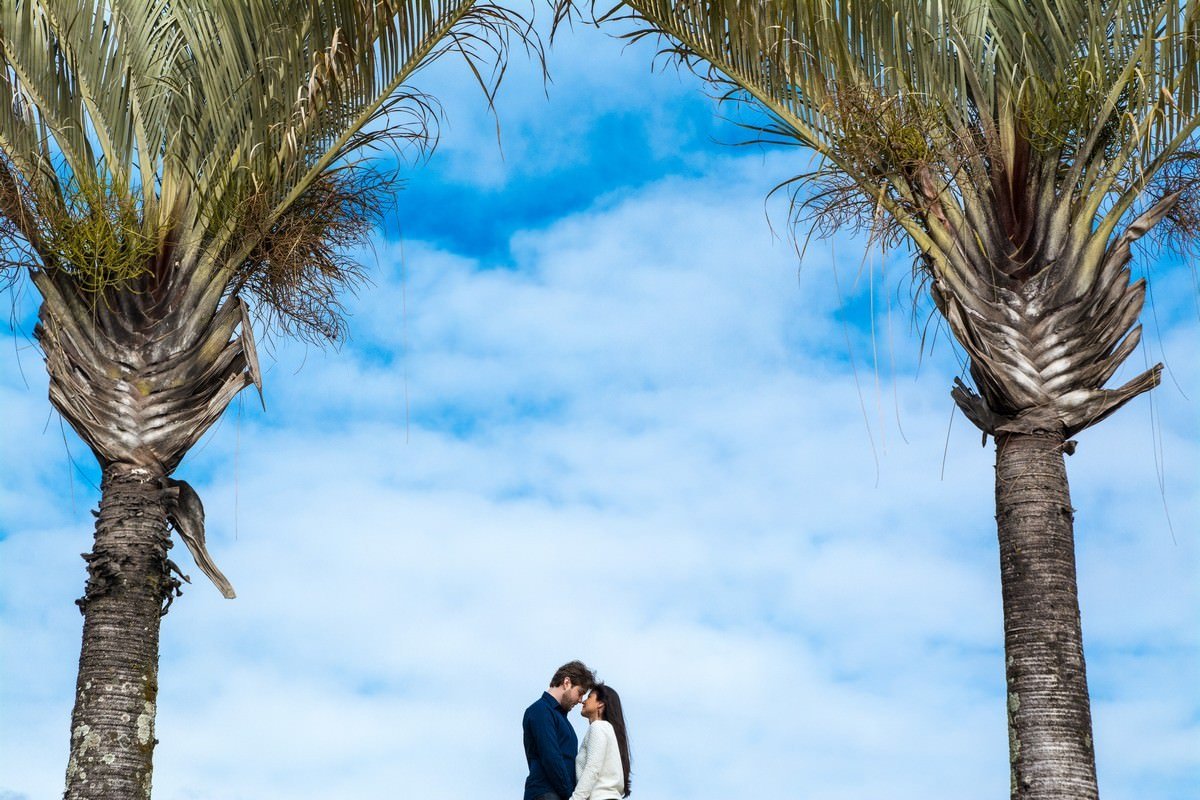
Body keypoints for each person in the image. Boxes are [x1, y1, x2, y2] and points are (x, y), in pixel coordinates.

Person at [523, 660, 597, 800]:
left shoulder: (562, 719)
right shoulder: (540, 710)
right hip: (545, 794)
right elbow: (551, 757)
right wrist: (571, 796)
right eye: (580, 692)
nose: (581, 700)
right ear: (567, 683)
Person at [570, 683, 632, 800]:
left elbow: (592, 768)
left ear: (600, 704)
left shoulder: (598, 727)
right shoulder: (608, 730)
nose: (583, 701)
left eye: (589, 697)